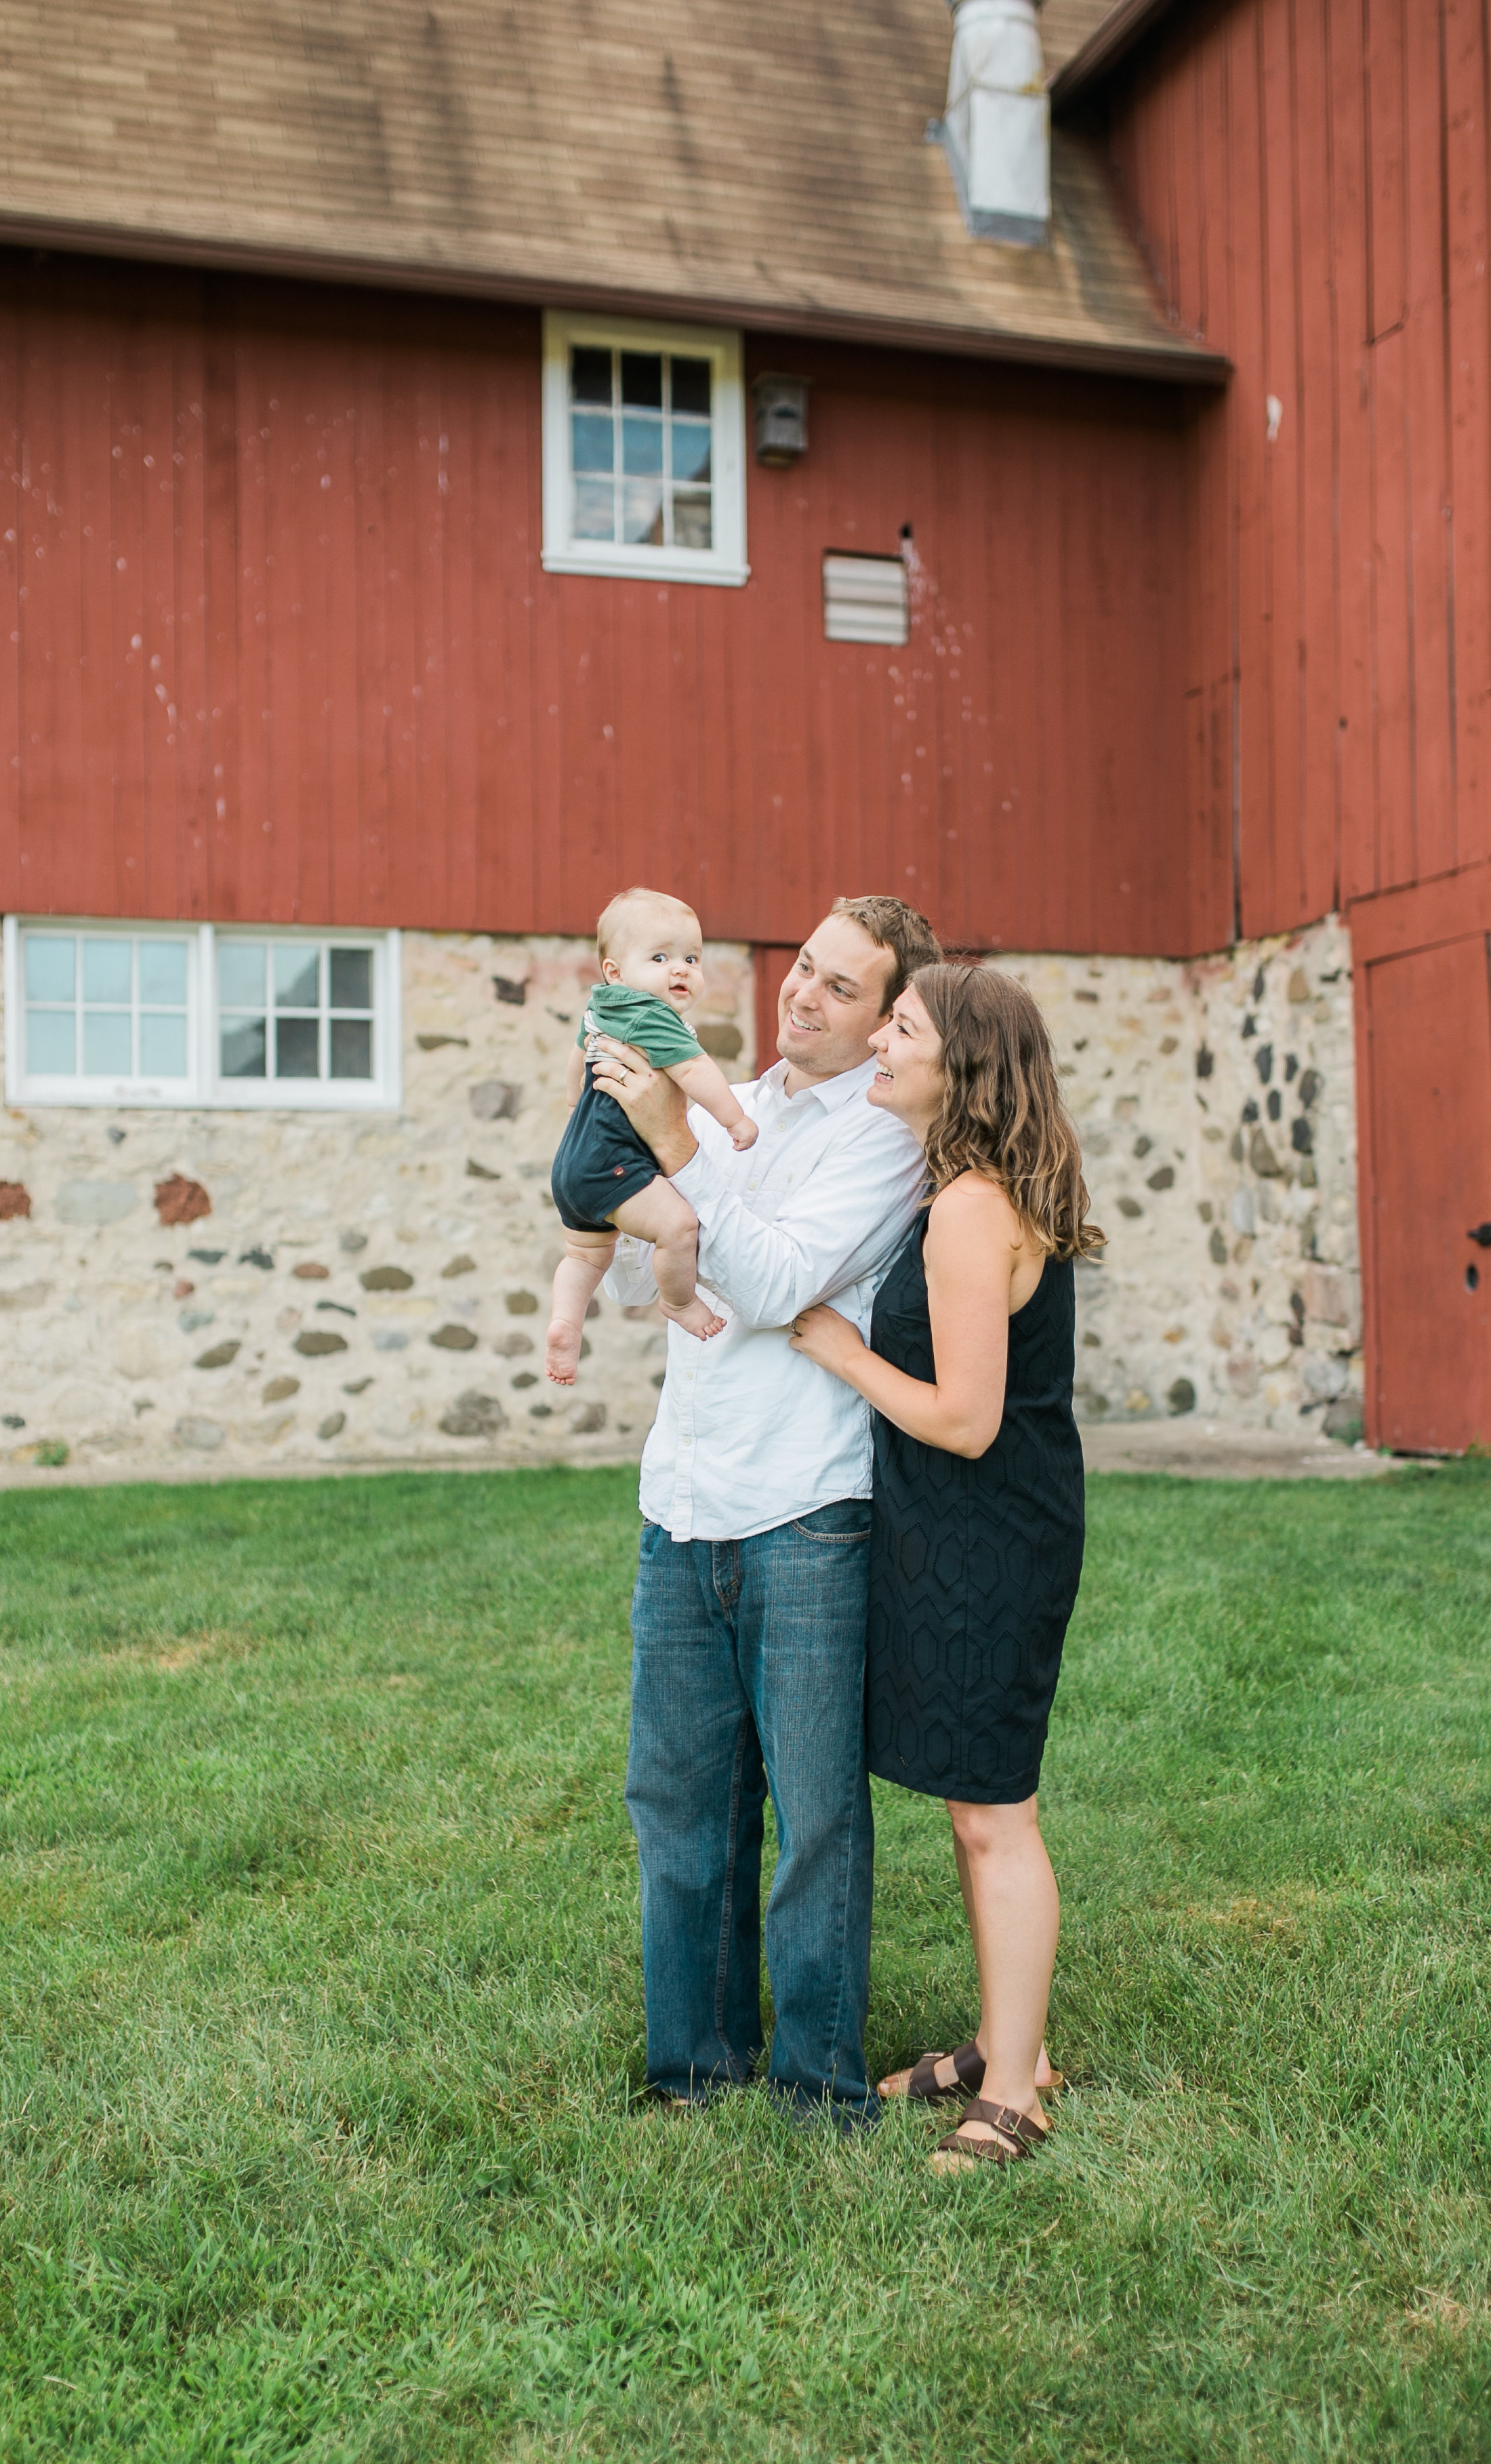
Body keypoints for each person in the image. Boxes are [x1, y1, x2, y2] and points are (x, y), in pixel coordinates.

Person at [588, 895, 942, 2124]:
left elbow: (785, 1277)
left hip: (806, 1507)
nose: (802, 996)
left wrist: (678, 1153)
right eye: (804, 968)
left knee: (817, 1819)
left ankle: (818, 2087)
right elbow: (647, 1270)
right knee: (679, 1804)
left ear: (888, 1016)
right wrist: (650, 1157)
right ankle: (693, 2068)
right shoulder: (739, 1102)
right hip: (682, 1495)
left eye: (843, 989)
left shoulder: (886, 1140)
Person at [789, 963, 1101, 2169]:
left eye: (901, 1026)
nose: (879, 1040)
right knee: (976, 1809)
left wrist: (837, 1349)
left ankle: (1015, 2092)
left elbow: (968, 1419)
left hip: (992, 1533)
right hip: (960, 1530)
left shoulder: (972, 1208)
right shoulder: (966, 1189)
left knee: (995, 1815)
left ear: (958, 1063)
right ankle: (996, 2038)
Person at [546, 889, 758, 1385]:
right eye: (660, 957)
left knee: (584, 1255)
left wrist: (575, 1098)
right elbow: (696, 1071)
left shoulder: (601, 1007)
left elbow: (578, 1055)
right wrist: (734, 1121)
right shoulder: (653, 1016)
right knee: (680, 1228)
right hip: (614, 1161)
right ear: (616, 972)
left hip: (573, 1161)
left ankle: (564, 1322)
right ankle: (679, 1301)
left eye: (691, 958)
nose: (680, 969)